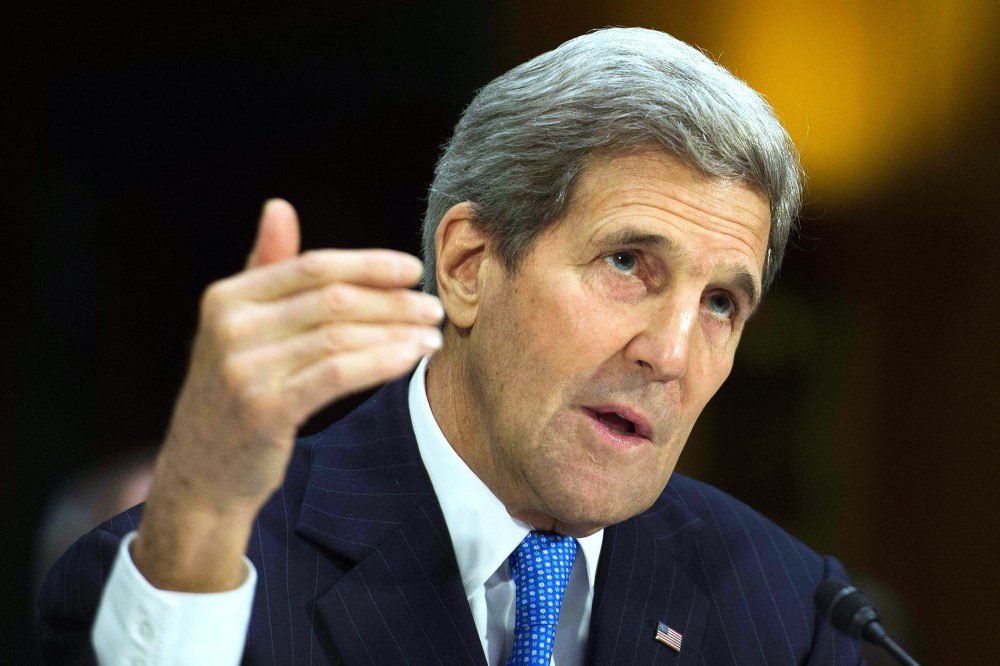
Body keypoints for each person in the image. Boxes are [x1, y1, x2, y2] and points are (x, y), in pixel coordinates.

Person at [36, 27, 864, 664]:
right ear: (468, 264)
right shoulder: (189, 573)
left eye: (720, 302)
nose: (673, 353)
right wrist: (205, 513)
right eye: (626, 263)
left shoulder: (792, 613)